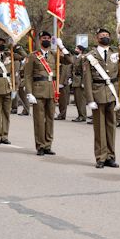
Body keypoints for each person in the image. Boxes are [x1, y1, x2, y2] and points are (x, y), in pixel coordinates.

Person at [21, 29, 70, 157]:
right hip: (38, 90)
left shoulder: (55, 54)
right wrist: (29, 93)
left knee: (50, 119)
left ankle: (48, 145)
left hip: (51, 90)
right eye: (44, 38)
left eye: (48, 38)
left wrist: (61, 46)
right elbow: (27, 76)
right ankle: (40, 145)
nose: (46, 40)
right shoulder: (33, 56)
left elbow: (70, 61)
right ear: (39, 40)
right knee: (38, 120)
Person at [85, 28, 120, 168]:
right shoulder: (90, 56)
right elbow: (87, 79)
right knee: (99, 128)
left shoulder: (116, 53)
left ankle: (111, 157)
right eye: (102, 36)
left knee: (111, 127)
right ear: (97, 39)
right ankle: (101, 157)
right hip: (97, 93)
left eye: (107, 35)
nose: (105, 37)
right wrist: (90, 99)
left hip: (112, 93)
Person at [68, 45, 88, 122]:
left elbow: (84, 70)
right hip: (75, 80)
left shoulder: (82, 58)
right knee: (77, 99)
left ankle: (82, 116)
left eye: (76, 48)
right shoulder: (76, 58)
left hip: (79, 81)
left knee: (81, 100)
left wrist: (83, 82)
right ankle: (80, 115)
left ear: (80, 50)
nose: (75, 49)